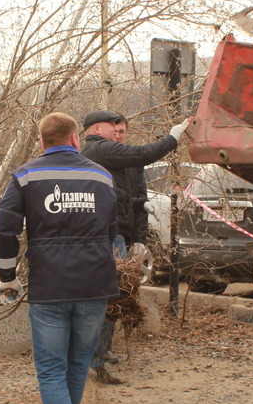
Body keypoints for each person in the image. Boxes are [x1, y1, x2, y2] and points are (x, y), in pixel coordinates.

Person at [0, 112, 119, 404]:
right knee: (77, 366)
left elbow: (3, 227)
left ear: (41, 139)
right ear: (75, 138)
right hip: (95, 285)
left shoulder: (27, 175)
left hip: (50, 286)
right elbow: (113, 228)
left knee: (51, 371)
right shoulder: (101, 176)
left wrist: (7, 276)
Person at [81, 109, 189, 384]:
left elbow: (133, 197)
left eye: (121, 129)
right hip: (106, 234)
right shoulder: (99, 150)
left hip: (122, 235)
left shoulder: (122, 157)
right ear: (97, 130)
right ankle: (95, 361)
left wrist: (139, 236)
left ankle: (100, 354)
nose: (117, 133)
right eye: (112, 128)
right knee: (108, 297)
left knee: (116, 297)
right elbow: (143, 155)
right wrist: (173, 138)